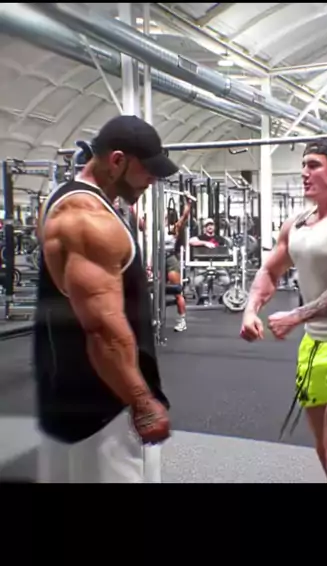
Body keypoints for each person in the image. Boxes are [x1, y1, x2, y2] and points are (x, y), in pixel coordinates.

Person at [33, 114, 179, 483]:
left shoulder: (59, 201)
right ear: (117, 161)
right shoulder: (89, 220)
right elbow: (103, 332)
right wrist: (142, 402)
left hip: (71, 400)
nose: (152, 179)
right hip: (107, 409)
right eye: (147, 170)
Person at [240, 137, 327, 484]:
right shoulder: (297, 224)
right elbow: (269, 270)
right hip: (313, 349)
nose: (304, 173)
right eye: (303, 165)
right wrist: (250, 309)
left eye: (314, 165)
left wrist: (296, 316)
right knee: (325, 452)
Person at [164, 198, 192, 332]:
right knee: (154, 291)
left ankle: (181, 321)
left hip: (170, 259)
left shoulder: (173, 228)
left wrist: (188, 203)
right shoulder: (153, 228)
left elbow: (184, 216)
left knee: (177, 292)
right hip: (157, 259)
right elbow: (139, 223)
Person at [189, 218, 231, 304]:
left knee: (227, 281)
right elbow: (191, 241)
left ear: (214, 227)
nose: (210, 227)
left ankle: (223, 297)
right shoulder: (200, 237)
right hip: (203, 264)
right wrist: (205, 243)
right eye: (207, 225)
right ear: (204, 228)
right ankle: (201, 298)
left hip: (217, 264)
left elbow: (227, 248)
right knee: (197, 282)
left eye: (211, 225)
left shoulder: (220, 239)